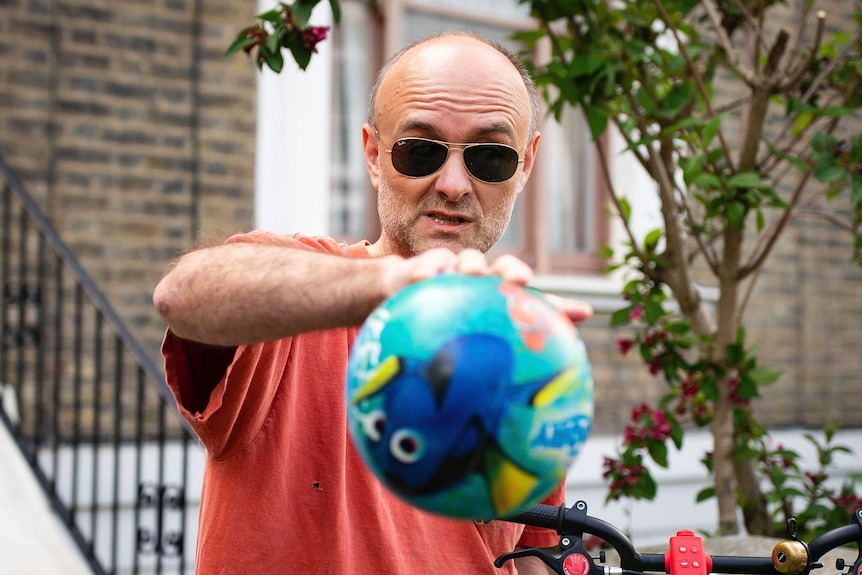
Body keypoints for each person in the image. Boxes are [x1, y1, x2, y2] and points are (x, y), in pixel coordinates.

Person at [153, 31, 593, 574]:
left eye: (490, 157)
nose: (454, 184)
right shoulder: (301, 299)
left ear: (525, 164)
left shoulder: (527, 343)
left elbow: (528, 554)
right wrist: (391, 286)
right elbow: (185, 294)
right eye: (420, 151)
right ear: (372, 155)